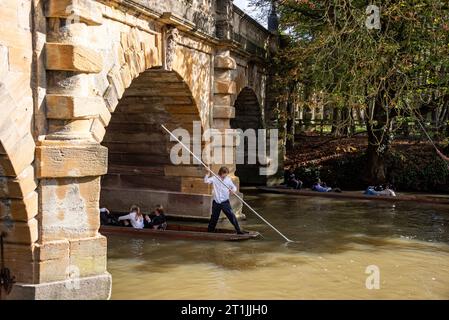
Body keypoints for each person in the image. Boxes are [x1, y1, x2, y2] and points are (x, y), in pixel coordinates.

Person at [204, 166, 246, 234]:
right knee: (214, 218)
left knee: (231, 216)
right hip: (216, 202)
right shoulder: (215, 178)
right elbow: (206, 181)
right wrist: (207, 173)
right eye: (224, 174)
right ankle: (210, 231)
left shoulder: (228, 180)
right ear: (221, 173)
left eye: (226, 174)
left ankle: (238, 230)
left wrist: (233, 191)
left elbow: (234, 187)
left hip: (225, 202)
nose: (225, 176)